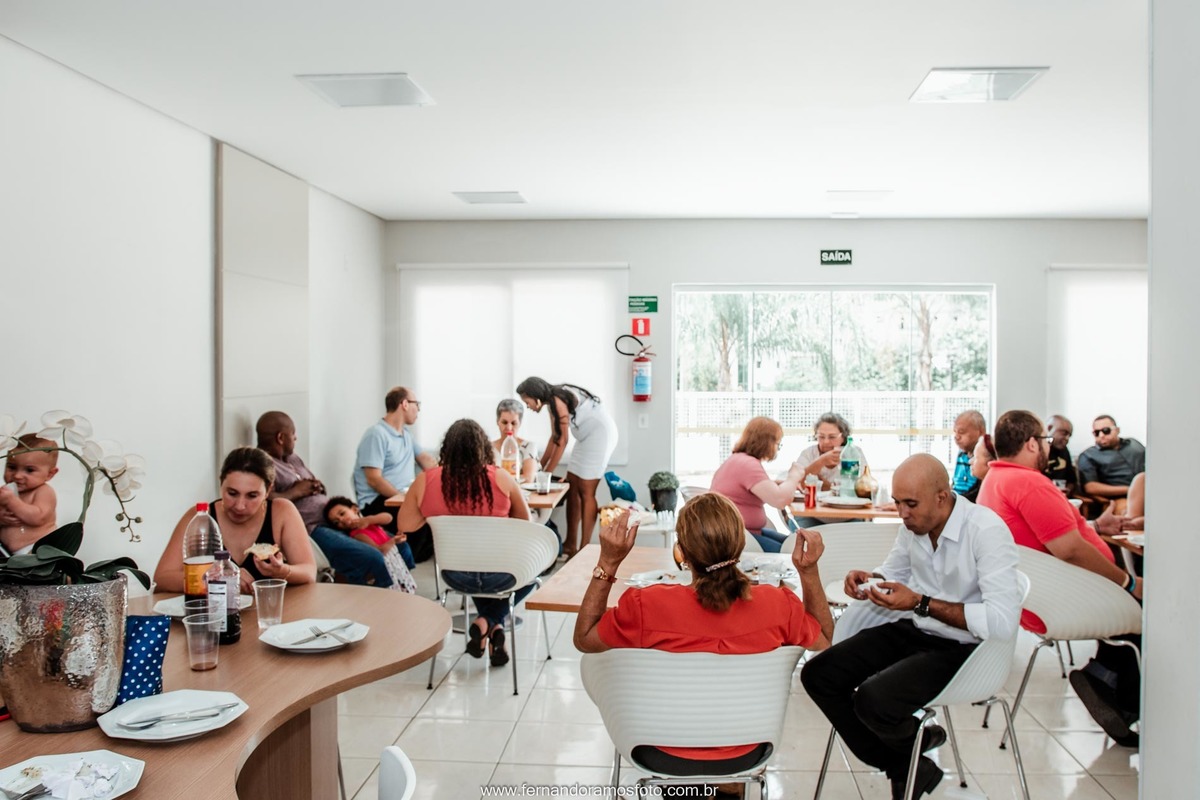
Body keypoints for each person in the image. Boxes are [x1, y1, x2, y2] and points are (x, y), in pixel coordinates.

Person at [800, 454, 1021, 800]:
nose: (902, 513)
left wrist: (921, 602)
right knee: (818, 674)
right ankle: (909, 761)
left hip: (968, 649)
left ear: (942, 497)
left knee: (874, 700)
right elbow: (895, 572)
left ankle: (909, 757)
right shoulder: (915, 527)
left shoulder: (986, 531)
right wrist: (871, 579)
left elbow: (1001, 622)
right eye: (898, 502)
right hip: (918, 628)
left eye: (911, 504)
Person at [573, 493, 833, 783]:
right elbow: (824, 639)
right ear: (741, 544)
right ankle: (722, 787)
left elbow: (584, 638)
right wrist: (809, 572)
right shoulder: (779, 605)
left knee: (595, 663)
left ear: (681, 552)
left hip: (658, 748)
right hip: (749, 748)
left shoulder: (645, 605)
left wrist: (608, 562)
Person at [976, 410, 1143, 746]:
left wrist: (1094, 527)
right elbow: (1069, 549)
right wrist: (1128, 583)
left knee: (1135, 615)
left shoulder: (995, 482)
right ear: (1031, 444)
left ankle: (1105, 677)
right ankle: (1115, 691)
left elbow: (1042, 534)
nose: (1049, 447)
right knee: (1152, 615)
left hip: (1034, 598)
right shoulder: (1029, 483)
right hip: (1063, 601)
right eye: (1046, 440)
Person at [398, 419, 533, 667]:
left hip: (454, 576)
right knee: (534, 573)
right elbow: (526, 524)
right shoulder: (501, 478)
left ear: (446, 448)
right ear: (483, 448)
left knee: (474, 567)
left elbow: (405, 524)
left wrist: (434, 512)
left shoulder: (426, 481)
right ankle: (491, 621)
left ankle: (486, 623)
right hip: (501, 575)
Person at [257, 411, 407, 587]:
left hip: (335, 517)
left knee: (400, 545)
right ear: (281, 438)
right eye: (293, 434)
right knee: (372, 557)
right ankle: (382, 597)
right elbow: (264, 500)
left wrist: (316, 486)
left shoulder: (292, 458)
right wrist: (296, 491)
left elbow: (310, 485)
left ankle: (402, 590)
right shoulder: (262, 464)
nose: (296, 438)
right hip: (314, 527)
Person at [155, 447, 317, 594]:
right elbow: (161, 579)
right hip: (214, 613)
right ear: (221, 484)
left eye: (252, 496)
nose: (240, 506)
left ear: (268, 491)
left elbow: (309, 572)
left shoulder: (281, 512)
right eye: (232, 493)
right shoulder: (200, 517)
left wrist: (282, 571)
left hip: (271, 612)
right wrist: (215, 578)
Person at [516, 377, 618, 558]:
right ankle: (571, 544)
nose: (528, 406)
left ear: (535, 396)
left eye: (527, 402)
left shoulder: (557, 400)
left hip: (600, 435)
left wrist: (546, 474)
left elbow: (562, 442)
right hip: (584, 437)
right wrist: (540, 466)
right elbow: (554, 438)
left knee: (586, 491)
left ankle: (584, 548)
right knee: (572, 486)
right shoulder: (551, 403)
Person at [352, 386, 437, 561]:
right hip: (379, 501)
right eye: (416, 404)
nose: (418, 410)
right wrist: (403, 499)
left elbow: (426, 460)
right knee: (421, 525)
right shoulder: (376, 434)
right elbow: (374, 479)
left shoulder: (406, 435)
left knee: (435, 517)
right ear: (404, 404)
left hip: (401, 497)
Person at [709, 417, 803, 552]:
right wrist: (794, 476)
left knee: (792, 544)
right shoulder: (748, 464)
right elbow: (780, 500)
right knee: (793, 552)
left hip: (742, 531)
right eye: (777, 444)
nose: (777, 449)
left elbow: (752, 487)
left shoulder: (739, 459)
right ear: (768, 443)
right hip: (739, 536)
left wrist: (775, 484)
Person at [321, 496, 417, 594]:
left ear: (354, 509)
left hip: (394, 559)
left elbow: (388, 518)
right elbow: (380, 551)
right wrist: (393, 541)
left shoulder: (370, 522)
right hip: (387, 564)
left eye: (342, 513)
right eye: (336, 522)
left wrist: (370, 520)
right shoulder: (357, 534)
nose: (341, 520)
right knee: (395, 590)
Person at [0, 434, 60, 555]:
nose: (17, 475)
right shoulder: (6, 491)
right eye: (12, 467)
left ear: (50, 474)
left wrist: (12, 501)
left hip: (36, 550)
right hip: (7, 553)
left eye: (29, 470)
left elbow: (38, 517)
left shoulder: (44, 491)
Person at [793, 412, 869, 491]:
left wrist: (827, 486)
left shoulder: (853, 453)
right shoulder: (808, 453)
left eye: (832, 437)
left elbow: (864, 485)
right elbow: (796, 483)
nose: (826, 442)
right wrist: (821, 461)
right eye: (821, 436)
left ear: (843, 437)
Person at [1077, 415, 1146, 499]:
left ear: (1117, 430)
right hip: (1120, 497)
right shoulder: (1088, 455)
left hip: (1151, 490)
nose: (1101, 435)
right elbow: (1091, 487)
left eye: (1106, 430)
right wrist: (1131, 489)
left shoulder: (1134, 443)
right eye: (1096, 432)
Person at [491, 398, 539, 483]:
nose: (509, 428)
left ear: (520, 423)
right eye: (504, 422)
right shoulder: (488, 448)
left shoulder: (528, 446)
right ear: (497, 422)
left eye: (514, 423)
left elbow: (528, 479)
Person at [950, 410, 986, 502]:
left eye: (961, 432)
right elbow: (955, 483)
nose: (956, 437)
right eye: (955, 432)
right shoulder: (961, 454)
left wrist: (956, 501)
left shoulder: (985, 456)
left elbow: (978, 491)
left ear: (981, 432)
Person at [1043, 414, 1078, 495]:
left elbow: (1071, 480)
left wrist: (1067, 490)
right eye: (1064, 433)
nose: (1067, 438)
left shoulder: (1064, 451)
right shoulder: (1036, 451)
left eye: (1069, 435)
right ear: (1049, 428)